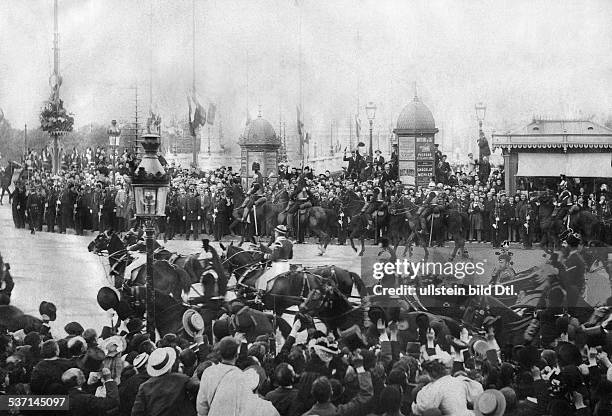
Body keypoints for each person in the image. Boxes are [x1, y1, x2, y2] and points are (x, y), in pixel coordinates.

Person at [131, 347, 200, 416]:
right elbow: (198, 388)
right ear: (169, 365)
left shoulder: (144, 387)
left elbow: (136, 412)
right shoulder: (181, 379)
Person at [196, 336, 246, 416]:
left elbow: (201, 404)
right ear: (236, 355)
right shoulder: (241, 376)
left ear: (220, 353)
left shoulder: (208, 372)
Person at [254, 225, 293, 292]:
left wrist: (264, 256)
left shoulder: (278, 242)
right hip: (287, 266)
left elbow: (274, 257)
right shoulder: (290, 242)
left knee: (262, 279)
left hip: (278, 267)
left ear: (277, 233)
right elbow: (290, 256)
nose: (275, 234)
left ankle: (260, 295)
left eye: (275, 232)